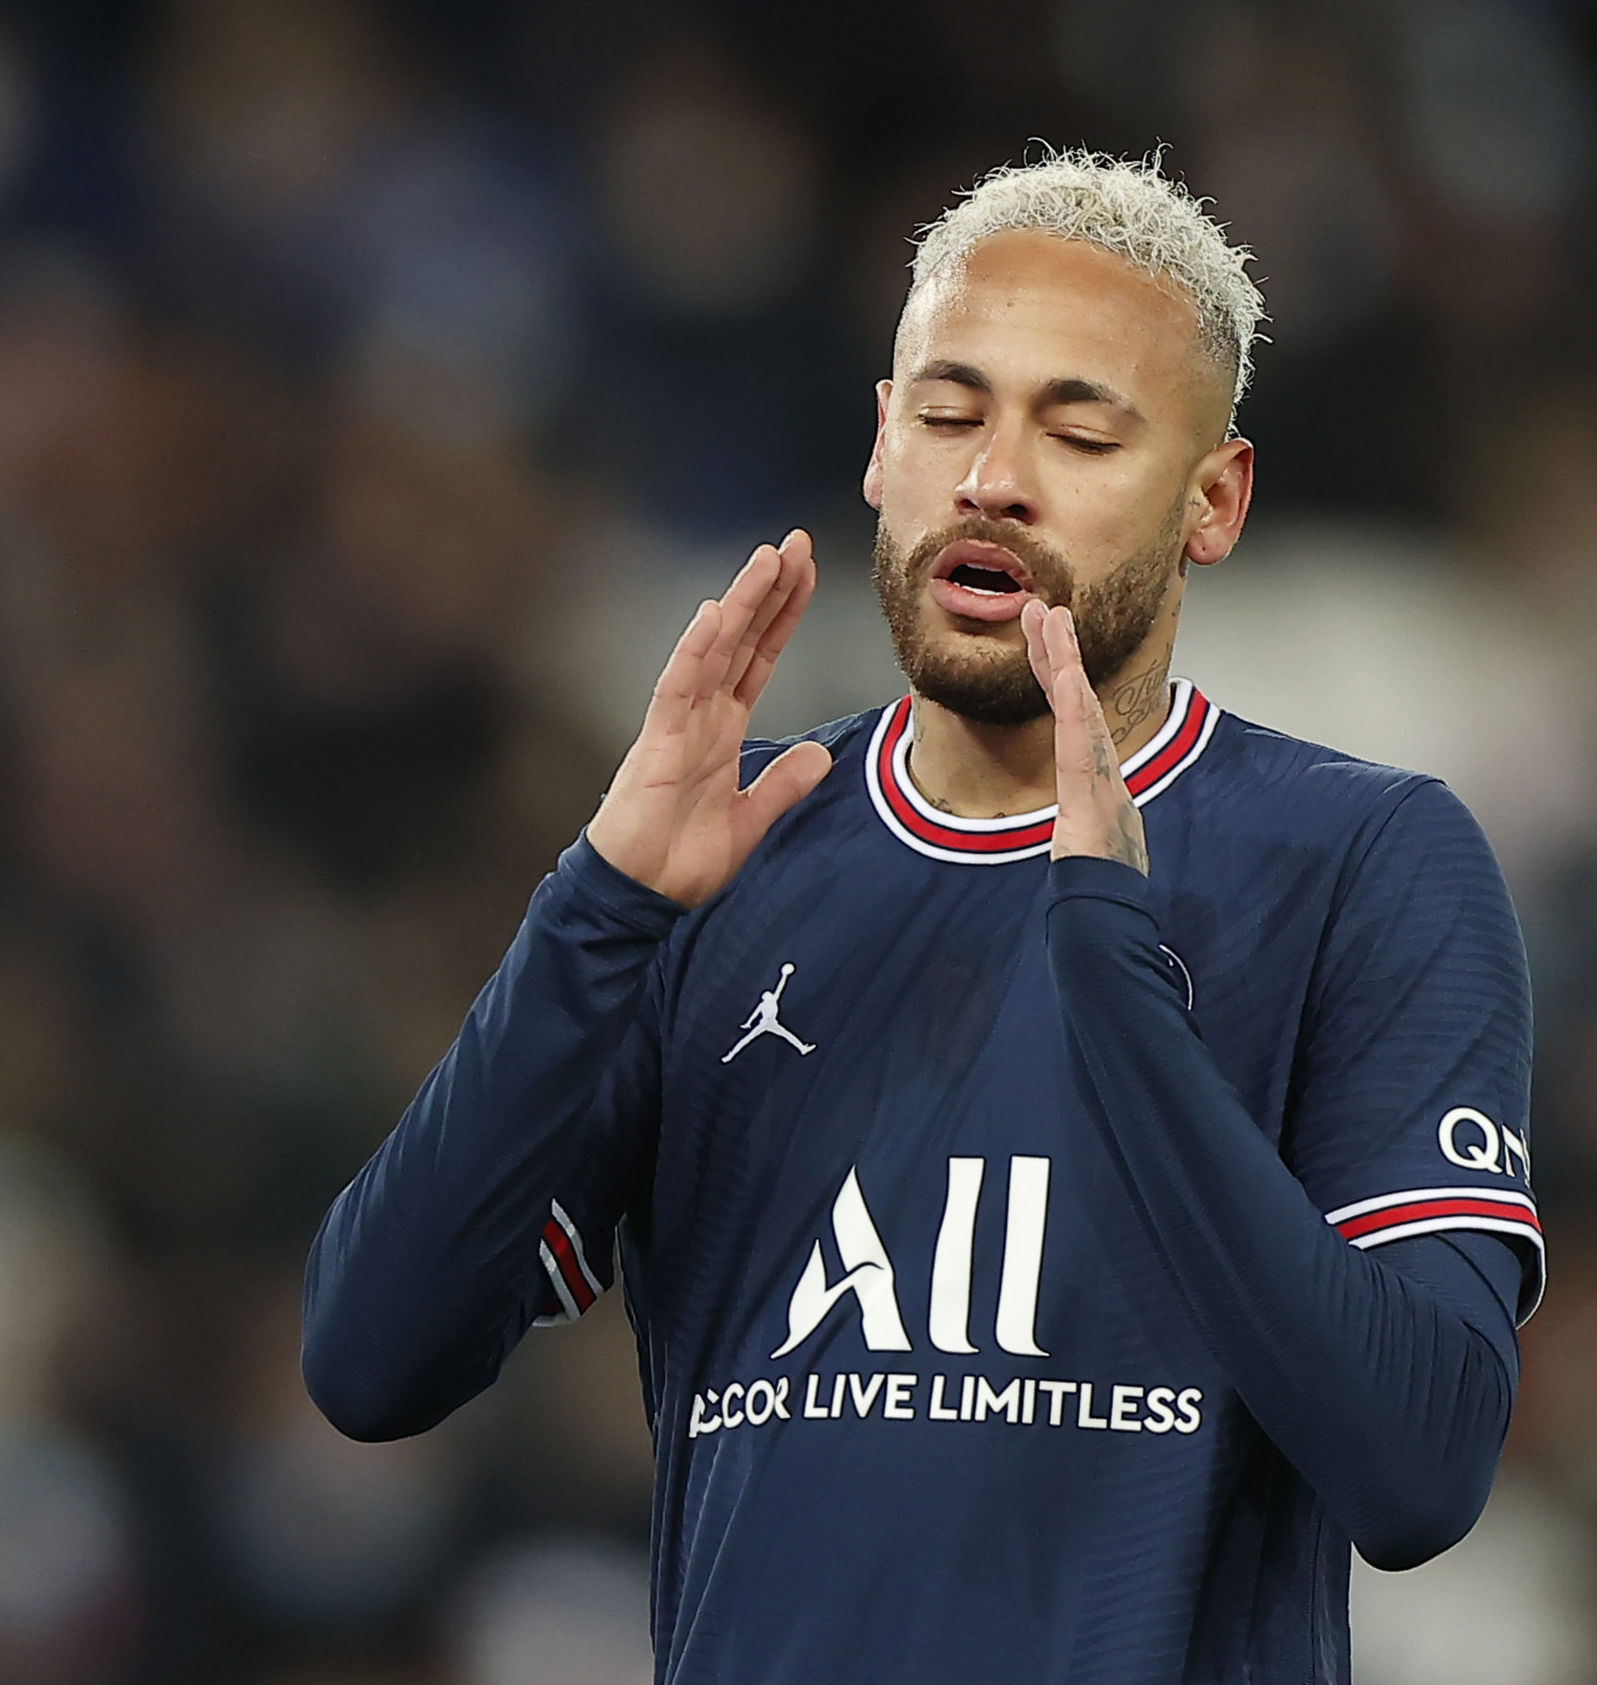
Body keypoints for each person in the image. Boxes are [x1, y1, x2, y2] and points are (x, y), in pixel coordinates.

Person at [300, 151, 1539, 1683]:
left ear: (1212, 503)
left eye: (1079, 432)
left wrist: (1115, 982)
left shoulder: (1359, 857)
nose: (994, 479)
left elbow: (1419, 1469)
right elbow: (370, 1361)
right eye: (949, 416)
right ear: (883, 447)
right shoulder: (728, 855)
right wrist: (595, 912)